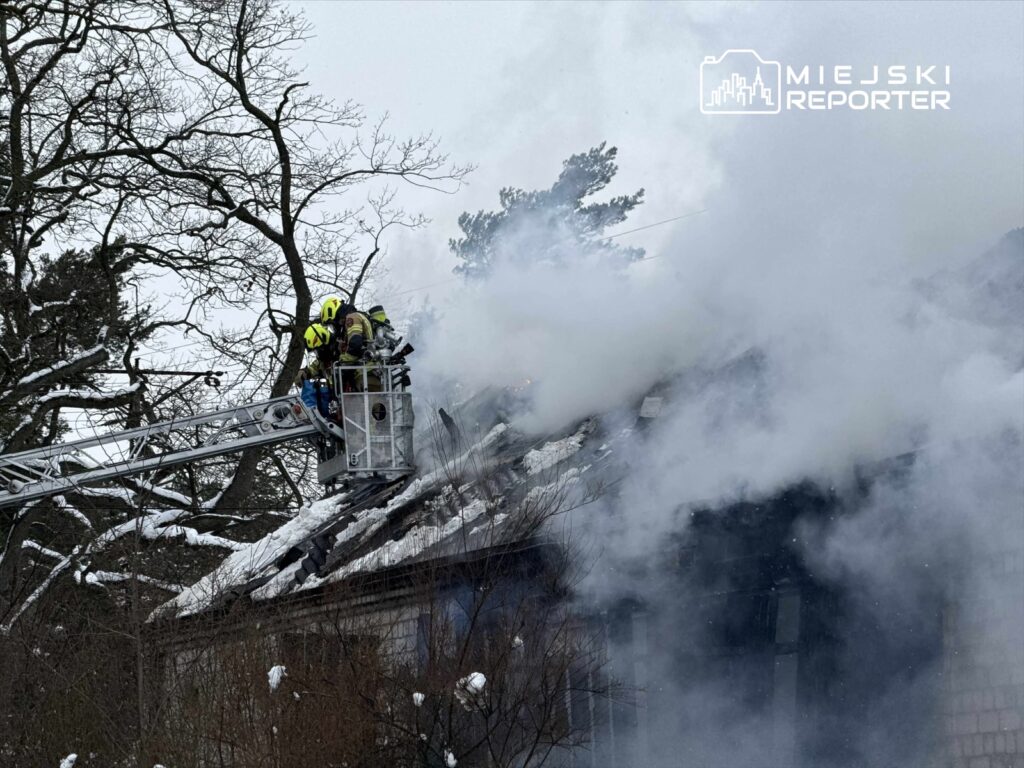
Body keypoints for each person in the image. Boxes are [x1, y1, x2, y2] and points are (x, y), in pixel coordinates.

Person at [317, 296, 380, 391]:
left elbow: (355, 344)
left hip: (367, 374)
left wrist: (342, 363)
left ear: (334, 314)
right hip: (365, 373)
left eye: (331, 323)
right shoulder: (346, 328)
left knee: (371, 404)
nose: (333, 326)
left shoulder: (352, 317)